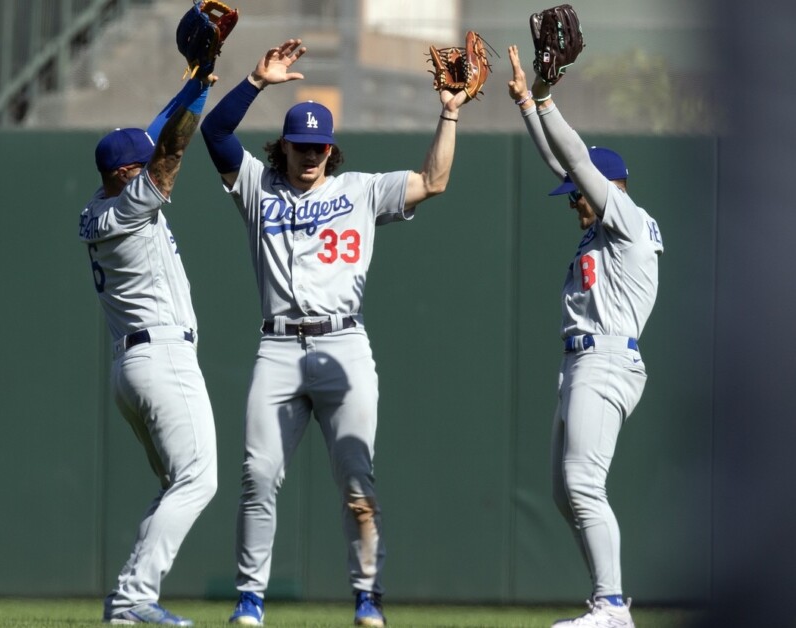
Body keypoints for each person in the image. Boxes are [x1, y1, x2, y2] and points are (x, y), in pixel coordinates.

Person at [199, 39, 471, 627]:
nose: (311, 156)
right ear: (285, 147)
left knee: (357, 480)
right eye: (301, 146)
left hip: (344, 344)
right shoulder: (258, 187)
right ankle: (250, 599)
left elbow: (434, 180)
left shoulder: (360, 190)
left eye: (321, 146)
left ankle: (367, 595)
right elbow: (215, 134)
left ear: (331, 148)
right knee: (258, 476)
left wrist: (450, 112)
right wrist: (254, 81)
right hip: (277, 344)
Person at [507, 45, 663, 628]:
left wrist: (546, 99)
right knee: (563, 492)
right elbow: (564, 165)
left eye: (581, 191)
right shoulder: (606, 223)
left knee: (582, 482)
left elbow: (574, 161)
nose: (573, 199)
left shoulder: (623, 217)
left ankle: (611, 607)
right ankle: (608, 600)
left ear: (608, 187)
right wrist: (527, 103)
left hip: (606, 358)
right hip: (581, 364)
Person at [78, 16, 220, 625]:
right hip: (161, 359)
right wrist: (205, 94)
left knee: (178, 484)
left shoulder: (98, 206)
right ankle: (135, 600)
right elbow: (170, 151)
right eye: (139, 163)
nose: (148, 161)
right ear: (125, 173)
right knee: (200, 480)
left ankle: (129, 597)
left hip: (130, 368)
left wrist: (198, 82)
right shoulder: (134, 203)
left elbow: (159, 134)